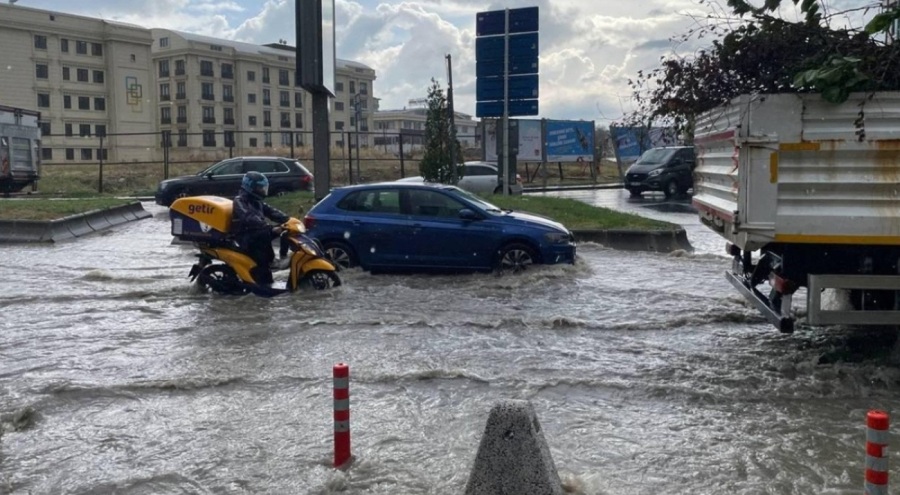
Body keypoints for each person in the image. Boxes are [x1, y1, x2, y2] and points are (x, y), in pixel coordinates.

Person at [231, 171, 290, 286]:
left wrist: (288, 219)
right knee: (266, 233)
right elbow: (248, 217)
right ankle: (271, 261)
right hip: (246, 236)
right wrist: (269, 228)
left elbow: (272, 211)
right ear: (250, 187)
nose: (263, 191)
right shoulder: (240, 201)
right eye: (260, 188)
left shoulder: (257, 201)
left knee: (286, 231)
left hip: (257, 233)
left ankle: (283, 256)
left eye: (263, 188)